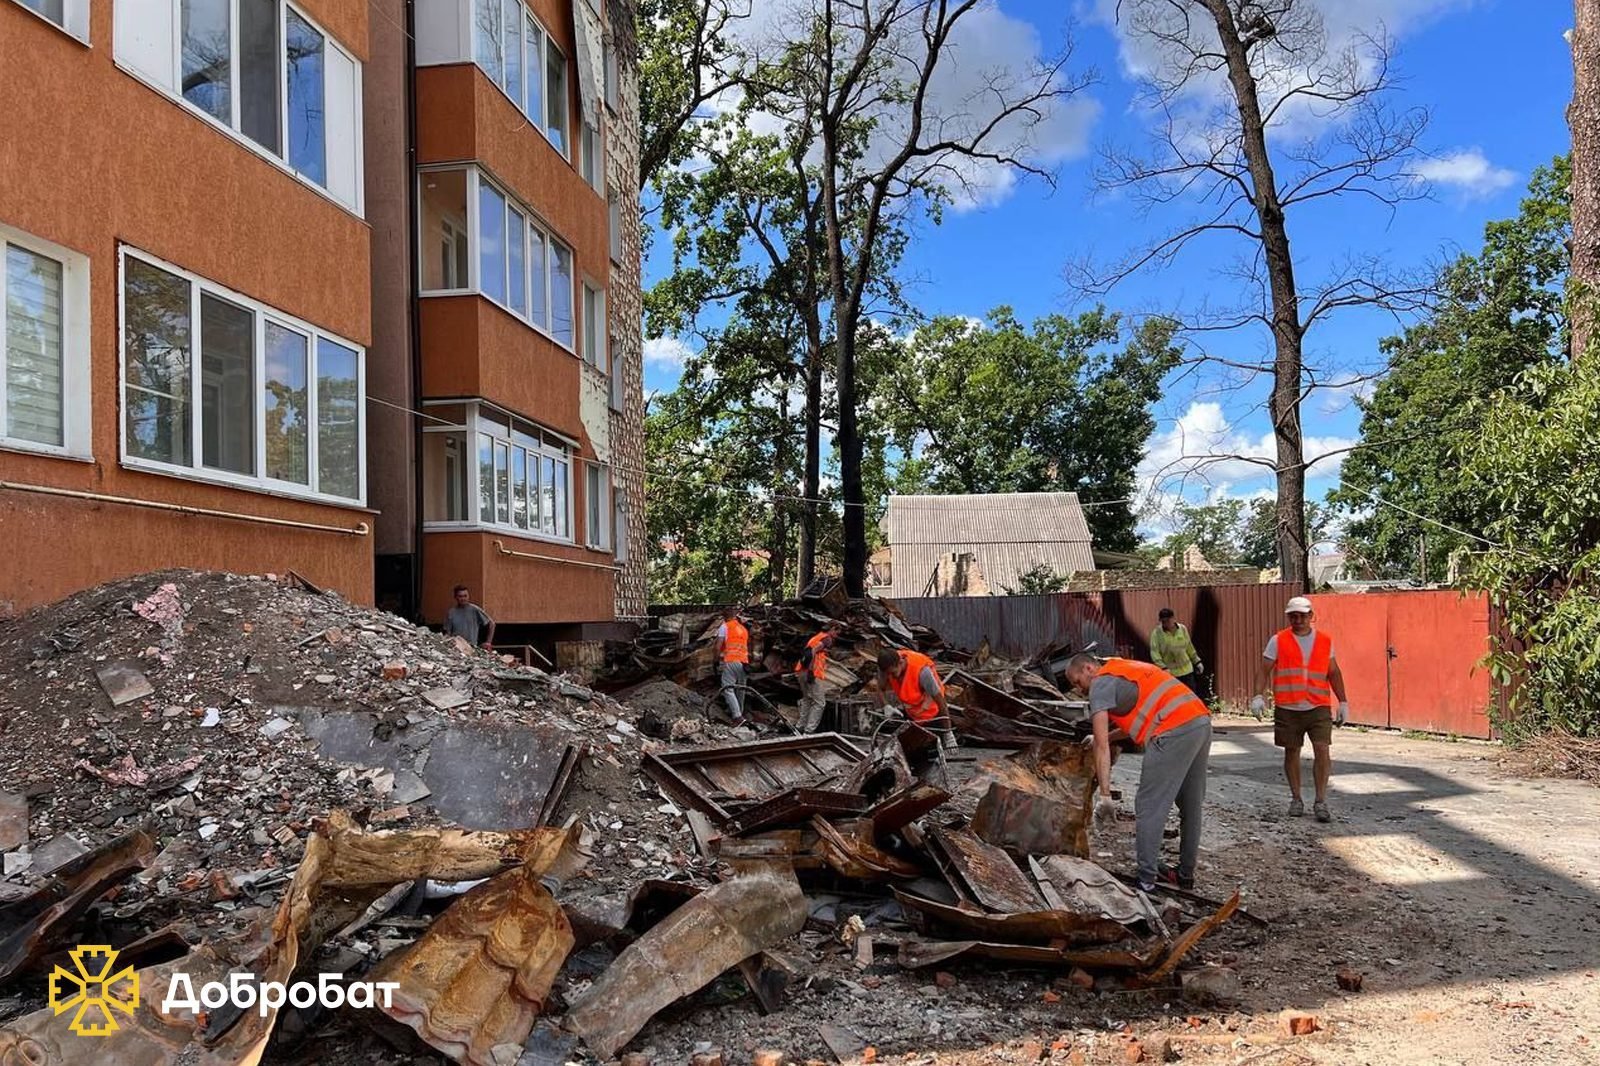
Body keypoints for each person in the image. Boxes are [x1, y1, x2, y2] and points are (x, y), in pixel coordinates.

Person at [1065, 652, 1212, 892]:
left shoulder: (1100, 684)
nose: (1079, 690)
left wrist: (1104, 796)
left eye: (1077, 682)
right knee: (1191, 805)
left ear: (1089, 668)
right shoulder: (1122, 667)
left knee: (1148, 807)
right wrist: (1107, 736)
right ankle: (1185, 876)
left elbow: (1102, 748)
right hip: (1199, 721)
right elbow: (1140, 717)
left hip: (1172, 730)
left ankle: (1146, 880)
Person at [1250, 595, 1350, 823]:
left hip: (1318, 705)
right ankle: (1296, 798)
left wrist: (1343, 701)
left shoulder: (1325, 641)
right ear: (1288, 617)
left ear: (1311, 616)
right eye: (1293, 616)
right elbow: (1264, 669)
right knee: (1291, 751)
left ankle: (1321, 800)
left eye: (1303, 615)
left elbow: (1333, 672)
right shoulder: (1278, 640)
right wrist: (1257, 695)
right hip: (1288, 706)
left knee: (1322, 749)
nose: (1298, 620)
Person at [876, 647, 955, 749]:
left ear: (900, 663)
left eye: (893, 673)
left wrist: (948, 733)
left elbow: (941, 703)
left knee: (927, 753)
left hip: (933, 716)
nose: (891, 677)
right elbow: (880, 687)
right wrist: (886, 705)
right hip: (913, 715)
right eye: (888, 674)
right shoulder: (886, 665)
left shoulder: (922, 672)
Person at [795, 622, 842, 733]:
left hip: (801, 670)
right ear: (832, 629)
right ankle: (809, 730)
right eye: (836, 632)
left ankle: (799, 727)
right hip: (813, 673)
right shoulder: (827, 639)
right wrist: (811, 670)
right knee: (820, 703)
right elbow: (813, 651)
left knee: (807, 699)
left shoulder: (816, 637)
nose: (836, 636)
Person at [1149, 608, 1204, 695]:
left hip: (1187, 671)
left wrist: (1197, 661)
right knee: (1175, 698)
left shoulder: (1182, 629)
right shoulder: (1156, 633)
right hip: (1171, 674)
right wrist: (1163, 668)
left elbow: (1189, 647)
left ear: (1173, 619)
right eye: (1163, 621)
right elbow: (1155, 654)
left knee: (1190, 696)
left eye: (1167, 621)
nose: (1165, 624)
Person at [715, 606, 751, 724]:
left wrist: (715, 660)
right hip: (744, 663)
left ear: (725, 617)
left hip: (731, 660)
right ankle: (740, 714)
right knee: (740, 690)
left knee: (728, 689)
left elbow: (718, 646)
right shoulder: (743, 629)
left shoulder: (725, 627)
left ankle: (737, 716)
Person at [443, 585, 495, 649]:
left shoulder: (474, 609)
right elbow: (448, 633)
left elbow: (491, 624)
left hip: (471, 647)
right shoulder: (451, 612)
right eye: (460, 596)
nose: (463, 599)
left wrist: (488, 642)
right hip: (456, 647)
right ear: (455, 597)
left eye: (465, 596)